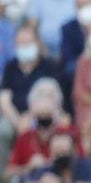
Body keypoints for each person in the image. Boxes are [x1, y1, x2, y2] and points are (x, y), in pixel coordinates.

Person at [0, 24, 65, 167]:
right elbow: (4, 99)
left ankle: (51, 172)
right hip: (14, 117)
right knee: (2, 130)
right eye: (20, 43)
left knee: (58, 126)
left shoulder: (50, 66)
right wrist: (18, 122)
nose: (24, 47)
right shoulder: (11, 66)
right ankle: (5, 177)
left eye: (28, 43)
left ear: (37, 43)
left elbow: (54, 98)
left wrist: (30, 116)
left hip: (42, 114)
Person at [4, 74, 80, 180]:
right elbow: (8, 172)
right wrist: (28, 167)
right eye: (40, 116)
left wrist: (54, 163)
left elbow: (83, 165)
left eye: (47, 115)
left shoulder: (69, 133)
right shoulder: (25, 138)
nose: (44, 119)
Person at [18, 125, 91, 183]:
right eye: (57, 153)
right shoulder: (47, 169)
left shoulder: (90, 167)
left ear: (75, 151)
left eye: (64, 152)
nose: (61, 156)